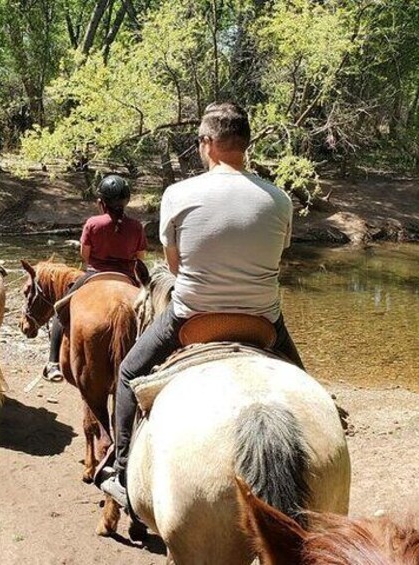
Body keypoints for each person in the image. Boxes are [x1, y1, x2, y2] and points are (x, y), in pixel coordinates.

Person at [99, 102, 305, 507]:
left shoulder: (178, 194)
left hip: (190, 317)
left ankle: (123, 471)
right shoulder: (279, 199)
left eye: (199, 141)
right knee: (306, 384)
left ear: (208, 144)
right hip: (263, 319)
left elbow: (175, 266)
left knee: (127, 373)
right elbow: (276, 257)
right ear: (245, 144)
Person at [42, 174, 147, 382]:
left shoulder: (93, 223)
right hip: (126, 276)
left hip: (95, 273)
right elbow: (140, 257)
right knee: (151, 311)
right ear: (126, 201)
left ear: (101, 202)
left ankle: (53, 362)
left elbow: (85, 254)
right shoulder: (136, 225)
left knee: (60, 308)